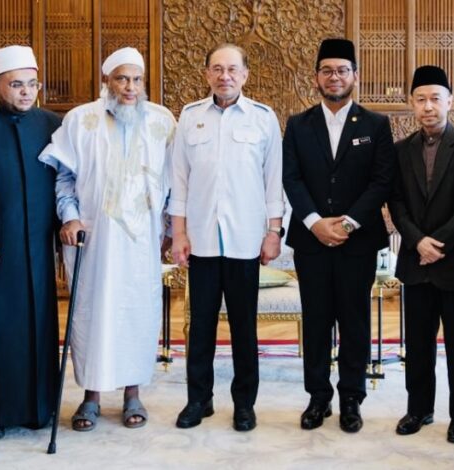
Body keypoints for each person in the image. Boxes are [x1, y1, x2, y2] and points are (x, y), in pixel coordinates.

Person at [39, 47, 176, 432]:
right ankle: (91, 397)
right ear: (106, 81)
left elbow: (174, 181)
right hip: (94, 239)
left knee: (137, 311)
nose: (130, 87)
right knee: (92, 313)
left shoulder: (163, 121)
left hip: (142, 241)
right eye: (121, 79)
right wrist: (70, 216)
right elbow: (65, 178)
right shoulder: (80, 119)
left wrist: (169, 229)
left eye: (136, 79)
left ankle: (133, 393)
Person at [170, 43, 284, 432]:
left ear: (245, 75)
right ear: (207, 74)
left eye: (232, 69)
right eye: (217, 69)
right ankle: (198, 400)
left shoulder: (263, 119)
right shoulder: (190, 117)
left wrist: (273, 232)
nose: (225, 76)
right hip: (201, 239)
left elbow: (273, 182)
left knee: (243, 328)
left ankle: (244, 404)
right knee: (200, 326)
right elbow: (179, 180)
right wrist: (178, 233)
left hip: (245, 240)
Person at [282, 38, 395, 433]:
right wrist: (316, 222)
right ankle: (318, 397)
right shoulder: (298, 124)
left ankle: (351, 397)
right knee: (315, 320)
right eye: (327, 70)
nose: (335, 77)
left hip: (357, 242)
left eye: (342, 70)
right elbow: (291, 179)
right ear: (316, 77)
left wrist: (347, 224)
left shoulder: (375, 125)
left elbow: (381, 181)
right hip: (310, 241)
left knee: (354, 319)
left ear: (355, 76)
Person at [0, 45, 62, 441]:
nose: (26, 92)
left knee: (38, 322)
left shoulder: (52, 124)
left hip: (38, 244)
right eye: (16, 84)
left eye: (32, 84)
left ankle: (37, 408)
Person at [388, 65, 454, 443]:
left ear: (450, 101)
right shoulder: (401, 150)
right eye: (420, 99)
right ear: (411, 103)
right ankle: (419, 409)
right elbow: (396, 202)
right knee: (418, 344)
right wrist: (417, 242)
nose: (428, 106)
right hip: (416, 261)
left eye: (435, 99)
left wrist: (438, 243)